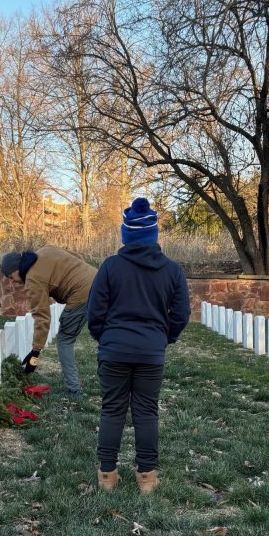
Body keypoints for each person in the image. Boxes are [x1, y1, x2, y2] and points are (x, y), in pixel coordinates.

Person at [86, 198, 191, 494]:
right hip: (150, 353)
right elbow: (181, 314)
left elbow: (95, 312)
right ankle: (146, 477)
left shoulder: (110, 267)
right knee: (146, 411)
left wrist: (105, 338)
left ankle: (107, 475)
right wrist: (163, 338)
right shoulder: (172, 270)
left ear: (126, 234)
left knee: (112, 410)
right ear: (153, 235)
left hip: (114, 351)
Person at [1, 246, 97, 399]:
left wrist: (35, 352)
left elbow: (42, 317)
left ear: (16, 268)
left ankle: (74, 389)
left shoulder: (32, 279)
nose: (12, 282)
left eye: (11, 276)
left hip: (81, 294)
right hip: (98, 279)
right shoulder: (45, 250)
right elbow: (76, 254)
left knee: (64, 340)